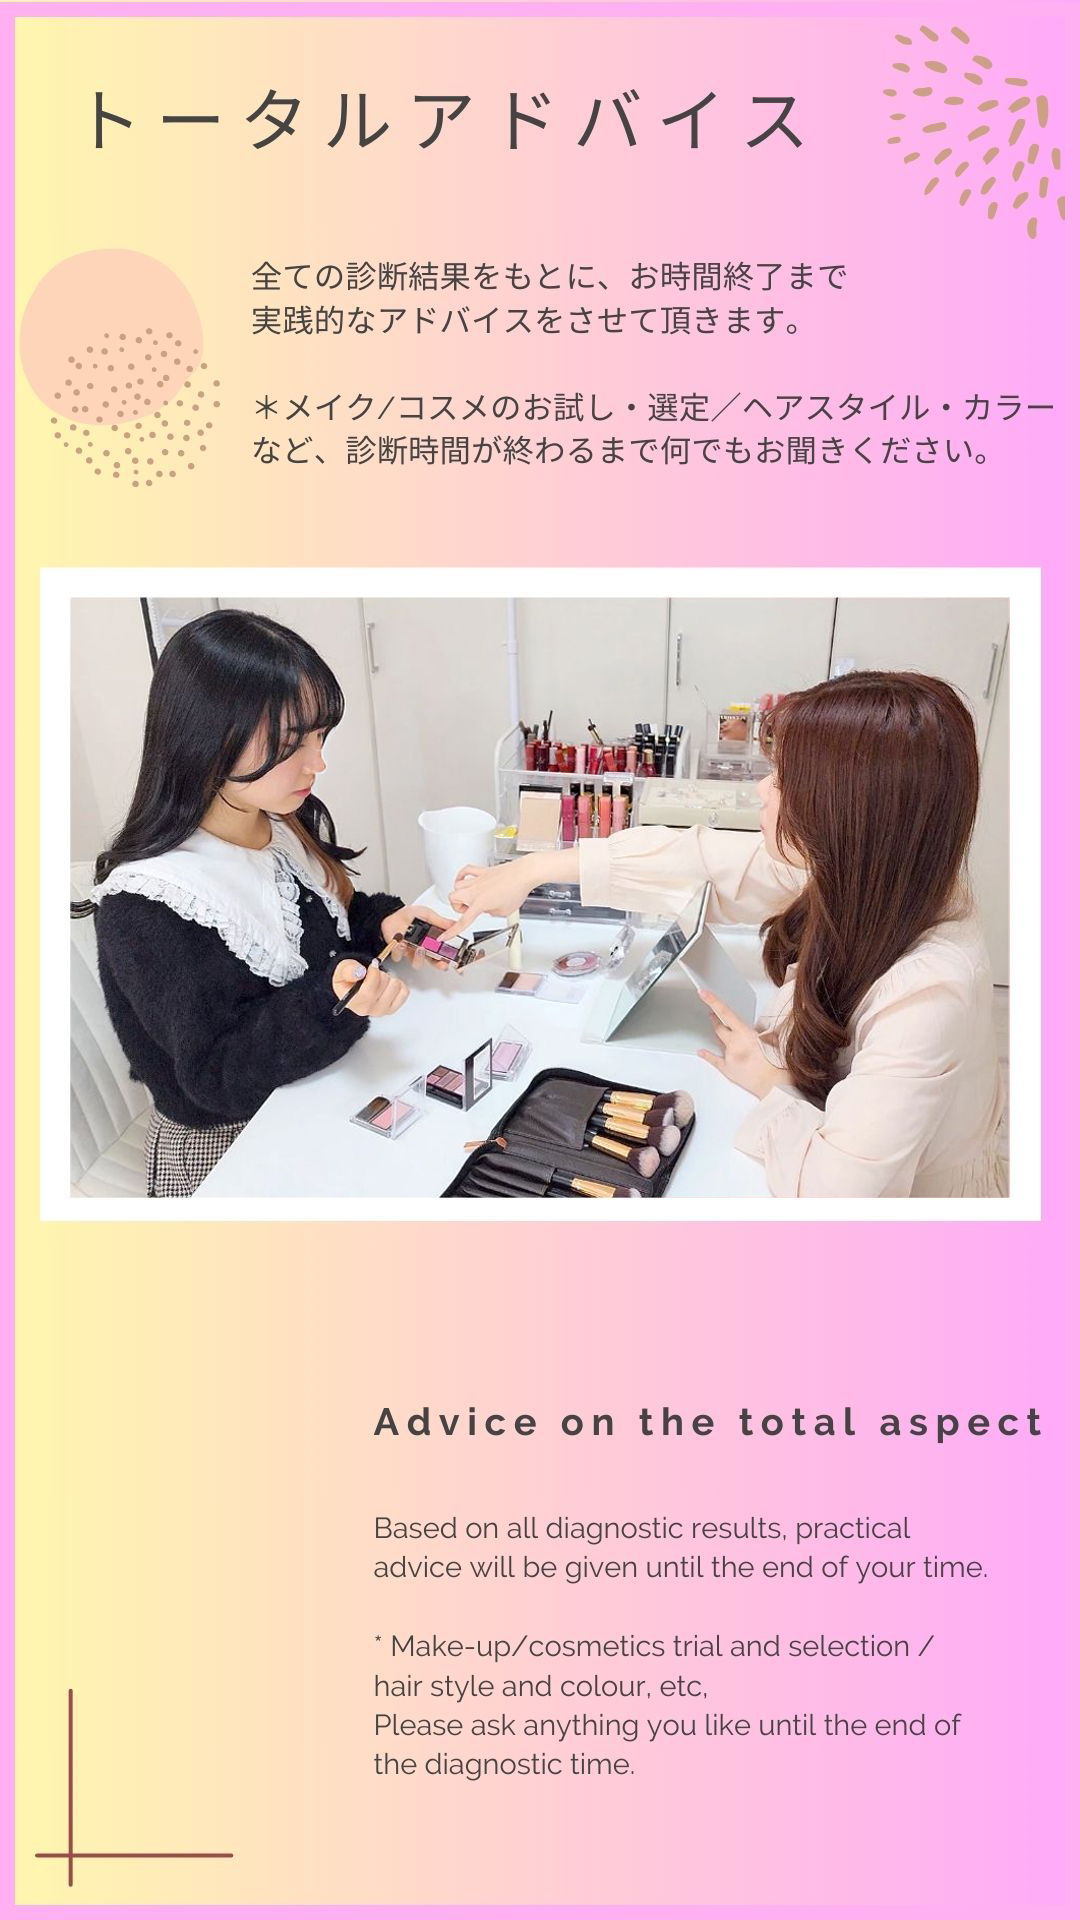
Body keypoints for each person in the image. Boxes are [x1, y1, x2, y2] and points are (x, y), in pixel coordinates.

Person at [448, 671, 1007, 1200]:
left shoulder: (930, 994)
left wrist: (769, 1082)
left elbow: (836, 1189)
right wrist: (532, 870)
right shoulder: (875, 871)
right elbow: (701, 861)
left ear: (849, 813)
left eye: (784, 780)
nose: (762, 789)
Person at [74, 609, 452, 1196]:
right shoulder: (147, 904)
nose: (317, 763)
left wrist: (385, 925)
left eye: (320, 737)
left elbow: (328, 927)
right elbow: (216, 1076)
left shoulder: (279, 820)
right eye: (290, 743)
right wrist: (332, 998)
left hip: (319, 1085)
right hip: (228, 1142)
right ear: (206, 736)